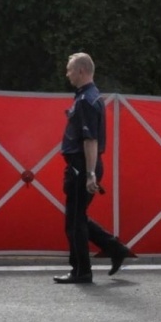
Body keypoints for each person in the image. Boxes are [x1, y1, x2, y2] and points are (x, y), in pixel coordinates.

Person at [56, 52, 132, 284]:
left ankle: (81, 271)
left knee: (74, 222)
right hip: (81, 166)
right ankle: (116, 249)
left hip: (82, 165)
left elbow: (91, 140)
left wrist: (89, 174)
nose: (67, 74)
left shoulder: (86, 100)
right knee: (77, 218)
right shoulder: (88, 97)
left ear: (80, 70)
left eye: (69, 69)